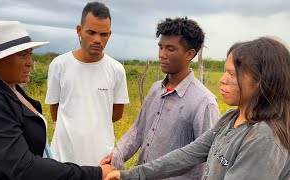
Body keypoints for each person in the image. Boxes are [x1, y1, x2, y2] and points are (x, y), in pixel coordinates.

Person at [104, 37, 290, 180]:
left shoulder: (263, 138)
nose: (222, 79)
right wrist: (131, 175)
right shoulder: (231, 119)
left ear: (261, 82)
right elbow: (189, 154)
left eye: (232, 74)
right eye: (225, 71)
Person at [0, 21, 115, 180]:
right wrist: (96, 173)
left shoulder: (9, 88)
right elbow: (25, 168)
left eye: (30, 54)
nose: (30, 63)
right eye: (23, 55)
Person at [110, 17, 219, 180]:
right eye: (160, 47)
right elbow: (138, 131)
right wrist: (115, 157)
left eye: (171, 49)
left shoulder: (204, 102)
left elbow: (210, 157)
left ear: (190, 54)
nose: (162, 54)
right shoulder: (156, 89)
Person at [45, 1, 129, 166]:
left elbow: (117, 113)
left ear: (109, 35)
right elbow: (54, 107)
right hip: (63, 159)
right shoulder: (59, 64)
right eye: (91, 32)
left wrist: (94, 123)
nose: (98, 39)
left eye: (104, 34)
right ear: (79, 31)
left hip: (100, 161)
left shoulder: (116, 69)